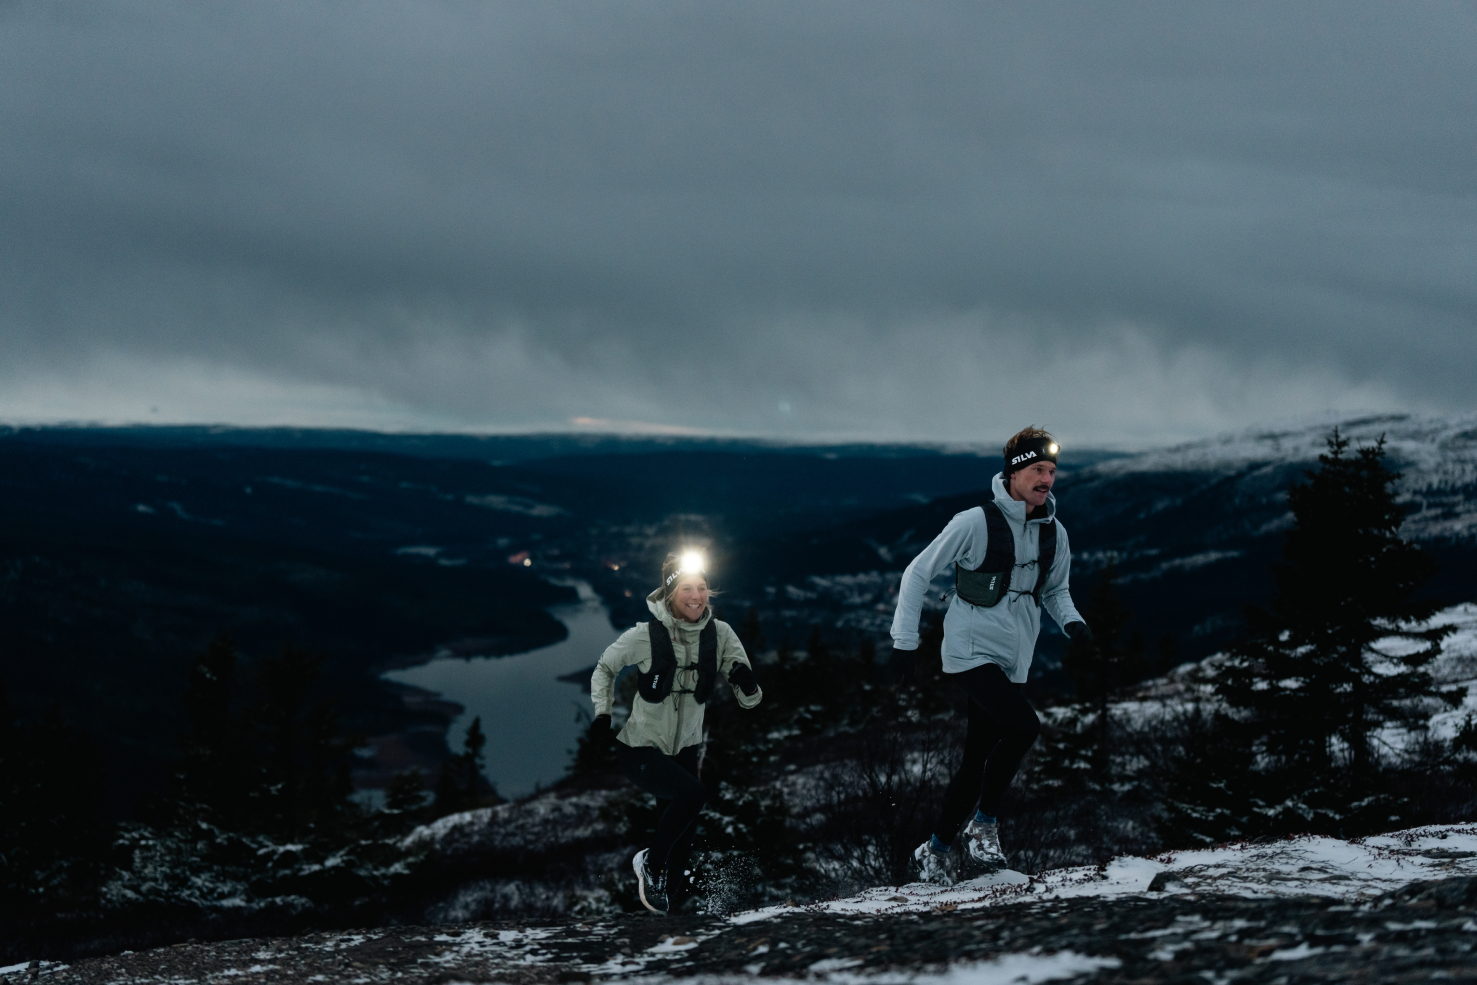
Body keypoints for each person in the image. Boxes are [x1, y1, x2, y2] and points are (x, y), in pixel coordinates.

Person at [889, 426, 1091, 884]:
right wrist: (905, 641)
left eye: (1052, 471)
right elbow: (917, 573)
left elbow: (1056, 591)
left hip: (1014, 654)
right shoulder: (974, 522)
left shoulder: (1053, 532)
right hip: (970, 648)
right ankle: (984, 825)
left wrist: (1073, 622)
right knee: (1023, 726)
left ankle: (935, 850)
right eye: (1037, 469)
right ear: (1014, 472)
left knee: (976, 758)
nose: (1047, 479)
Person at [588, 549, 764, 914]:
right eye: (686, 588)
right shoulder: (645, 636)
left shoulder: (721, 635)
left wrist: (747, 684)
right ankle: (650, 864)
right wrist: (602, 713)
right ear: (670, 593)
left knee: (683, 839)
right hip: (640, 750)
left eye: (701, 587)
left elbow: (750, 700)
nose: (696, 596)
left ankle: (665, 916)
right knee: (692, 795)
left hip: (685, 750)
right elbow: (605, 667)